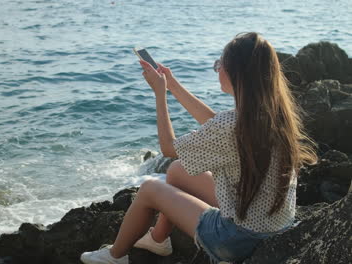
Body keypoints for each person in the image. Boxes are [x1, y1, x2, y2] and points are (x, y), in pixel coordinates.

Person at [80, 32, 317, 264]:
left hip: (236, 240)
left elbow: (168, 148)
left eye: (219, 64)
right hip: (275, 226)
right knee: (177, 170)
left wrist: (160, 94)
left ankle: (115, 256)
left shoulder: (232, 124)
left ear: (236, 73)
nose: (217, 69)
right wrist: (173, 85)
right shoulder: (275, 115)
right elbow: (214, 123)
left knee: (150, 189)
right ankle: (158, 239)